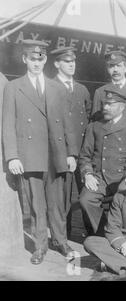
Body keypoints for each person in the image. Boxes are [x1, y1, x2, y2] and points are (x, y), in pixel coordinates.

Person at [2, 40, 78, 264]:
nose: (37, 63)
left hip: (55, 154)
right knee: (36, 205)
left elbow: (67, 122)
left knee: (57, 203)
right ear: (24, 59)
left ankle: (61, 241)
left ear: (45, 60)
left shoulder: (57, 87)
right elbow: (7, 124)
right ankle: (40, 246)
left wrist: (71, 153)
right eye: (32, 59)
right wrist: (12, 156)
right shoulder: (13, 87)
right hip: (30, 154)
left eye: (40, 59)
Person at [79, 87, 126, 235]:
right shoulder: (94, 127)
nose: (105, 107)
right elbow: (85, 156)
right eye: (104, 104)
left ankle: (121, 235)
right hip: (99, 178)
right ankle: (102, 234)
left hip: (123, 178)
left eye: (111, 104)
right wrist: (88, 174)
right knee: (86, 199)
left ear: (121, 107)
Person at [50, 46, 92, 236]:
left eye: (73, 61)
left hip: (83, 152)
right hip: (63, 151)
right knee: (63, 196)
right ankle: (63, 235)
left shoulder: (82, 89)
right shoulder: (50, 87)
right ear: (57, 64)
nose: (71, 65)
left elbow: (88, 117)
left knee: (86, 193)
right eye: (67, 62)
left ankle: (90, 234)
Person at [91, 51, 126, 125]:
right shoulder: (100, 92)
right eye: (111, 66)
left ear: (125, 68)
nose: (115, 70)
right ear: (107, 69)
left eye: (119, 66)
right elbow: (95, 123)